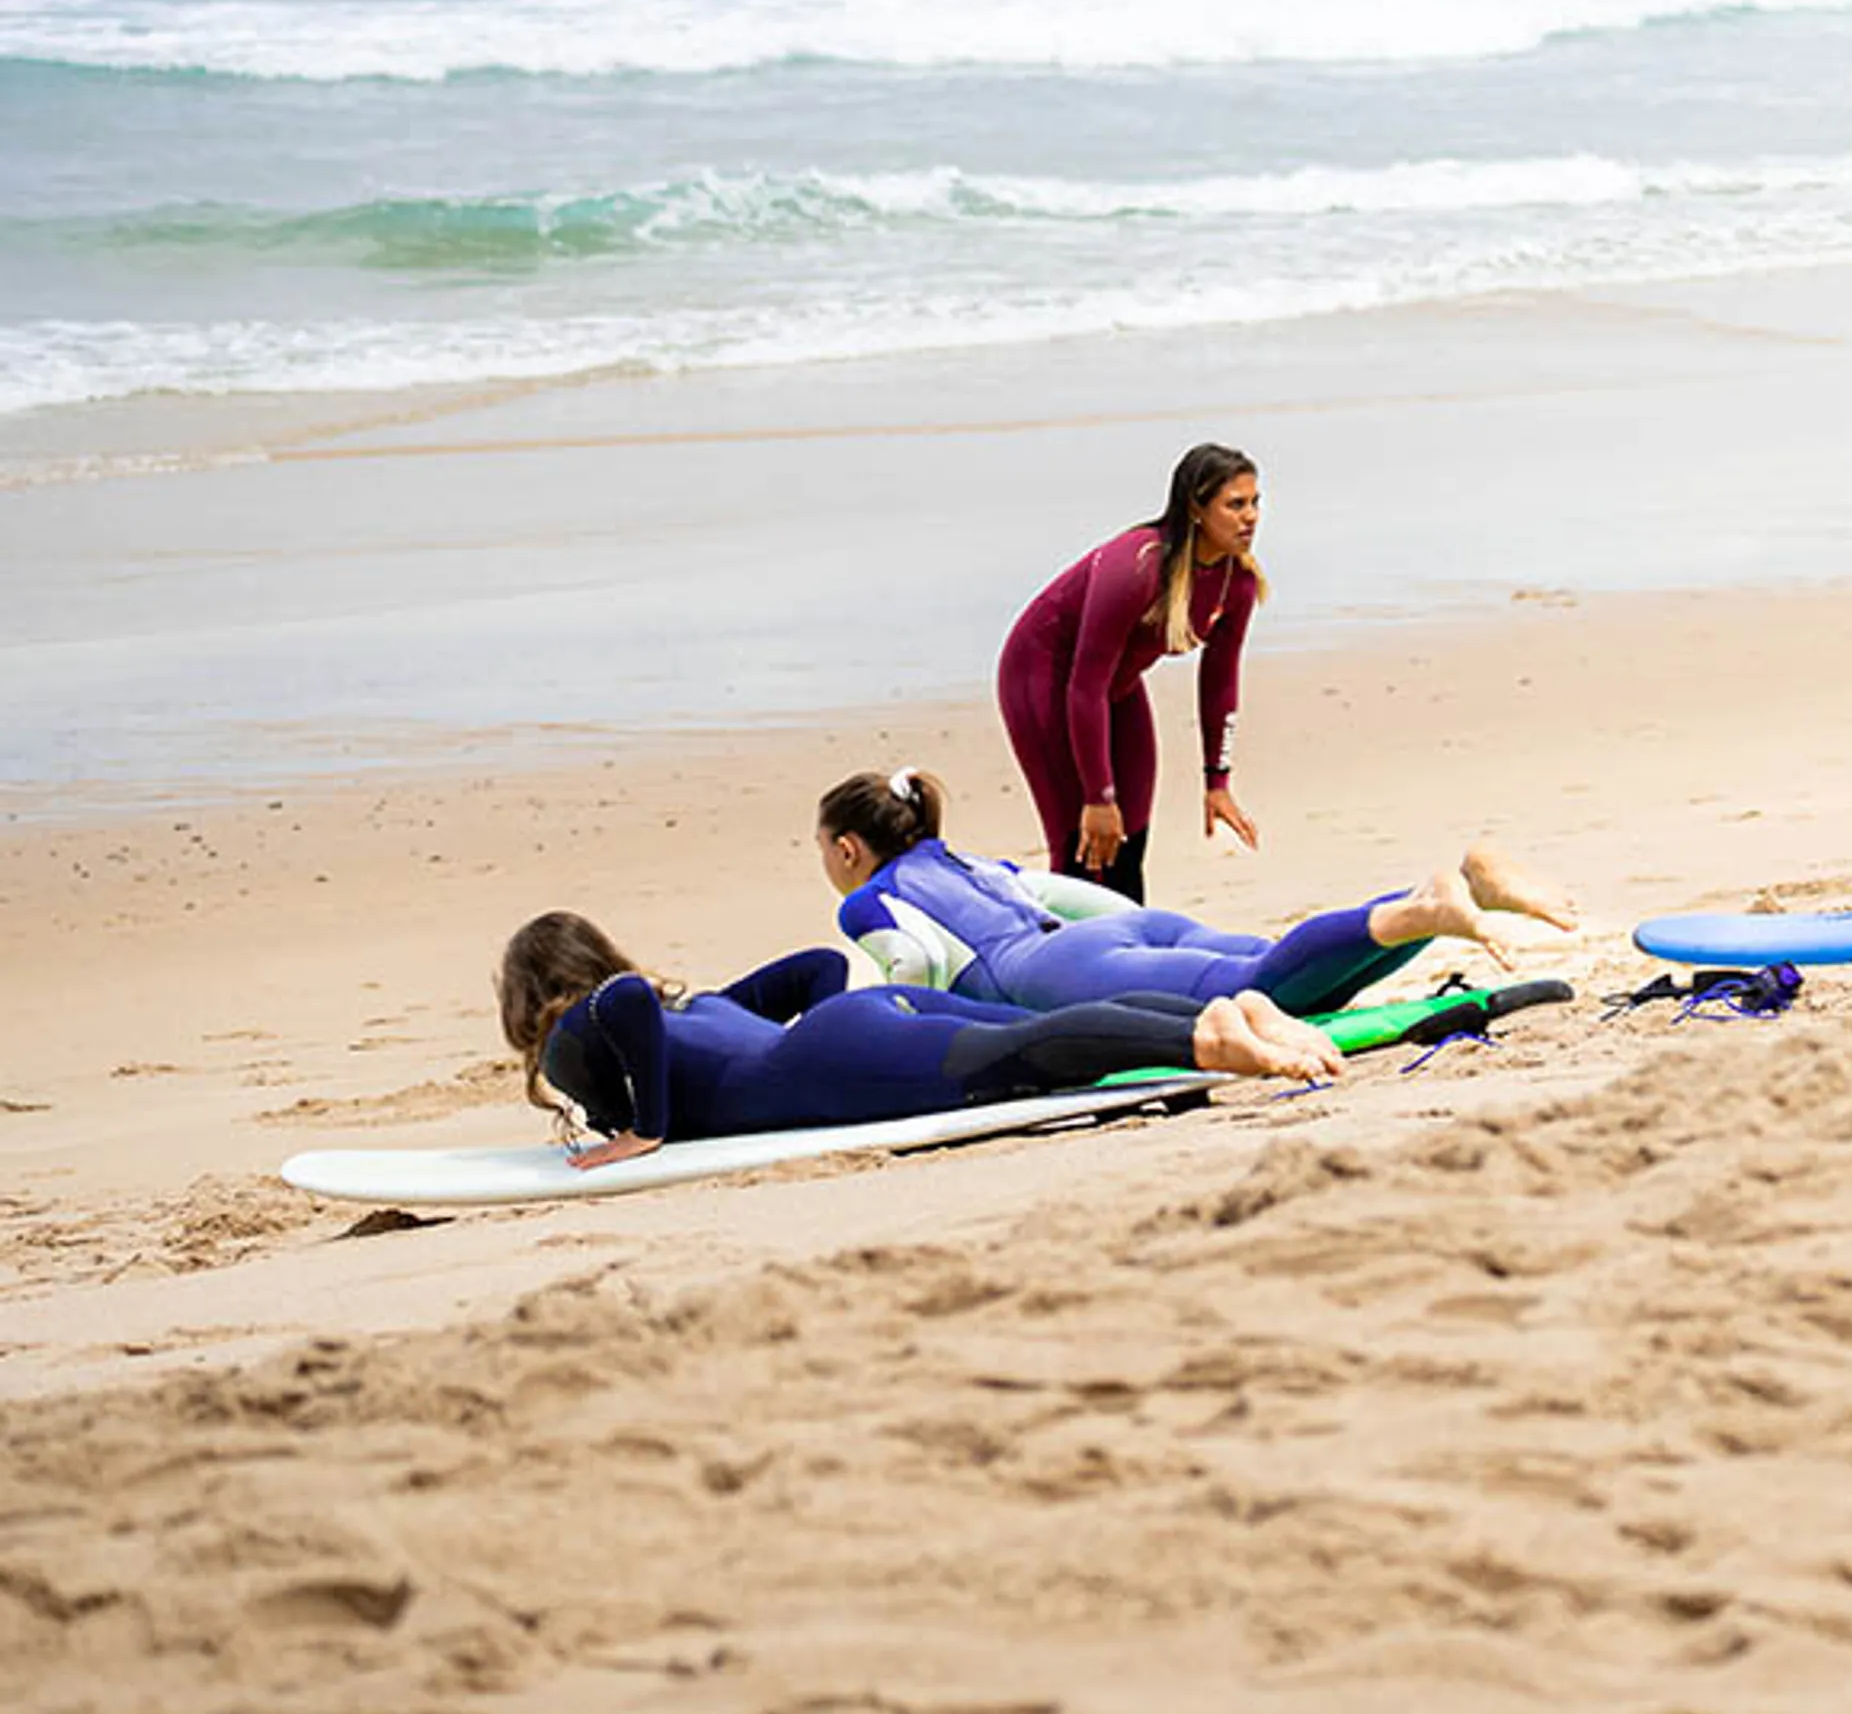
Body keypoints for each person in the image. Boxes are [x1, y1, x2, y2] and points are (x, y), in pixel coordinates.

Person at [493, 911, 1334, 1172]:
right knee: (1034, 1038)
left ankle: (1211, 1038)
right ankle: (1239, 1009)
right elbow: (818, 965)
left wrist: (648, 1128)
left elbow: (628, 997)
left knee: (1031, 1054)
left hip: (832, 1061)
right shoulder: (696, 1012)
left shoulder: (569, 1035)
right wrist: (818, 1032)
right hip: (856, 1026)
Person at [814, 768, 1576, 1014]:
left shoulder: (868, 898)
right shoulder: (967, 861)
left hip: (1050, 970)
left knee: (1258, 992)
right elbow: (1083, 902)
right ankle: (1448, 895)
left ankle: (1425, 906)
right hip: (1112, 936)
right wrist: (1151, 933)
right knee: (1294, 988)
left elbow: (909, 967)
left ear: (848, 847)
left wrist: (872, 1017)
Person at [998, 444, 1263, 902]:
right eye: (1235, 504)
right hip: (1044, 678)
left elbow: (1219, 680)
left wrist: (1216, 782)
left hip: (1113, 689)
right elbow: (1084, 686)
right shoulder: (1137, 566)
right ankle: (1067, 965)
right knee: (1084, 845)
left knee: (1129, 842)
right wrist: (1098, 796)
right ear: (1196, 509)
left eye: (1256, 502)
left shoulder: (1236, 582)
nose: (1251, 517)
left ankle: (1128, 959)